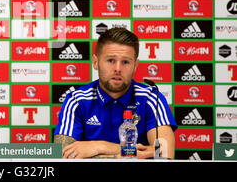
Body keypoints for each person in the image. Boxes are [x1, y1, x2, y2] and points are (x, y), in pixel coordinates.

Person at [54, 27, 177, 159]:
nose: (118, 69)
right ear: (95, 62)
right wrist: (128, 153)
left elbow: (165, 154)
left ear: (135, 65)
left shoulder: (150, 98)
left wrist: (99, 146)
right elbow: (63, 154)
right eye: (111, 60)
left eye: (125, 62)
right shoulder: (77, 100)